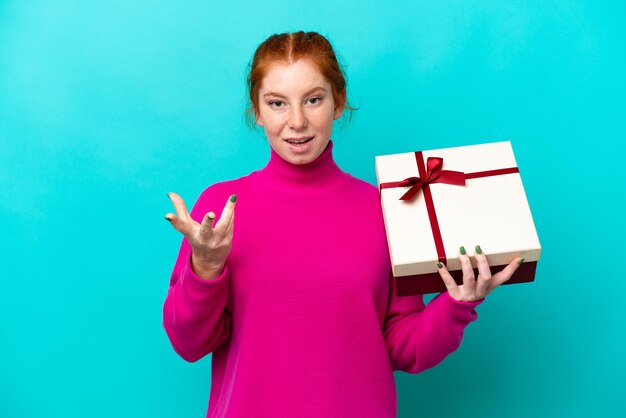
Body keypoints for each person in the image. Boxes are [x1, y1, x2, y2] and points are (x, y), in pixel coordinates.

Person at [162, 31, 523, 418]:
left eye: (313, 100)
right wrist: (206, 268)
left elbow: (403, 347)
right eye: (277, 103)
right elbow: (190, 344)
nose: (297, 122)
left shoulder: (387, 209)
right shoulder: (222, 208)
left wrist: (457, 304)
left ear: (338, 102)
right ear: (257, 111)